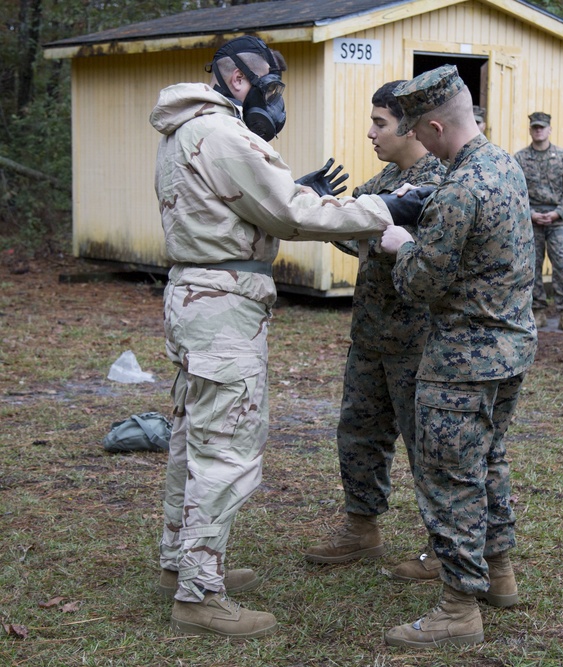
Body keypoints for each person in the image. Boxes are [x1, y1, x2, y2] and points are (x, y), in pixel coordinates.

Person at [151, 35, 399, 638]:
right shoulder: (224, 134)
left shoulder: (189, 130)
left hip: (199, 296)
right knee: (227, 445)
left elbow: (254, 205)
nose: (273, 96)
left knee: (194, 435)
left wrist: (297, 190)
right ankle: (199, 592)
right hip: (222, 306)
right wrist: (386, 209)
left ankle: (181, 563)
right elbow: (287, 214)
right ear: (238, 79)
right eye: (269, 82)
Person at [378, 65, 537, 648]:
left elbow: (421, 283)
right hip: (509, 348)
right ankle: (499, 573)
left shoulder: (460, 188)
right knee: (489, 461)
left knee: (450, 478)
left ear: (439, 125)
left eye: (422, 133)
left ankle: (458, 607)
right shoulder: (505, 166)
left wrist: (401, 246)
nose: (420, 143)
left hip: (461, 359)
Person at [301, 81, 446, 580]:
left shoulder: (442, 181)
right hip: (371, 334)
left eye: (380, 123)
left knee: (427, 444)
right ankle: (361, 528)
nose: (370, 132)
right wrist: (324, 207)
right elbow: (356, 238)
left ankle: (444, 544)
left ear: (410, 126)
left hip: (419, 339)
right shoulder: (386, 179)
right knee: (359, 432)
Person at [514, 112, 563, 331]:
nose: (538, 130)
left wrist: (560, 212)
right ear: (530, 130)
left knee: (562, 265)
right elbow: (515, 190)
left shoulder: (562, 157)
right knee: (531, 266)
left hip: (557, 220)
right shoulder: (520, 158)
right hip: (531, 219)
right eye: (535, 127)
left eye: (542, 127)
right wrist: (529, 213)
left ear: (550, 130)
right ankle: (537, 311)